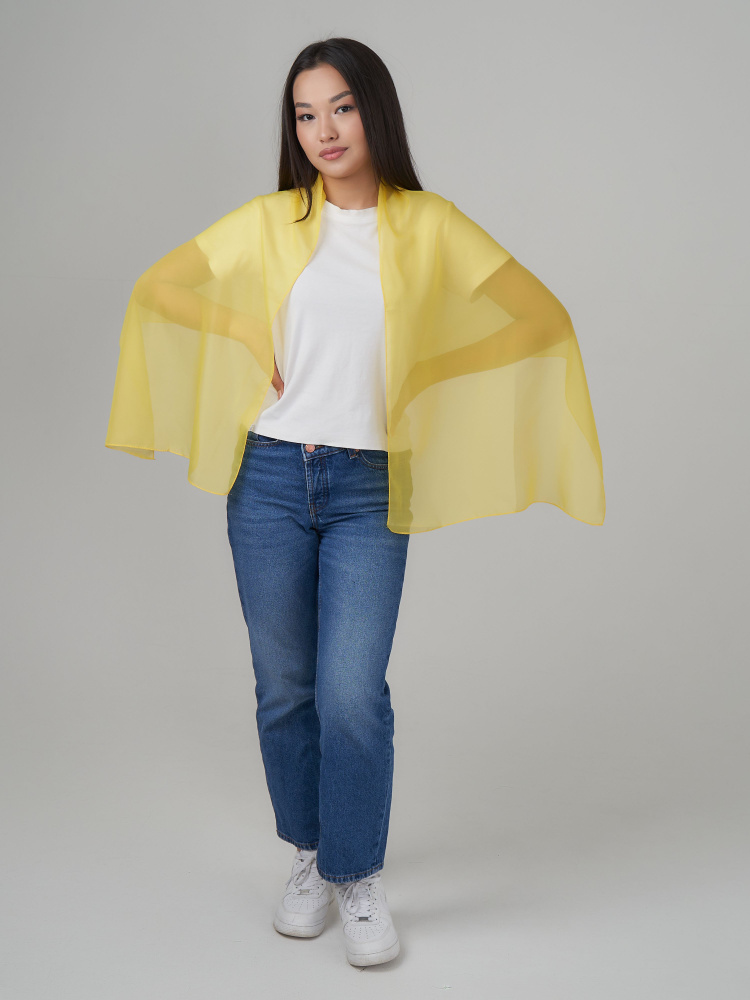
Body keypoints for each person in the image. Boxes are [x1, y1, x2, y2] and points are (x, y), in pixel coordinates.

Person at [105, 36, 605, 970]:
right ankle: (309, 857)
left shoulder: (429, 224)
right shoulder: (271, 220)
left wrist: (429, 373)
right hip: (267, 478)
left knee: (350, 694)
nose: (324, 130)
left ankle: (358, 874)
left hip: (368, 487)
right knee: (284, 689)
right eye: (305, 114)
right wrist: (243, 332)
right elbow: (158, 287)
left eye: (339, 107)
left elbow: (542, 318)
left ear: (374, 109)